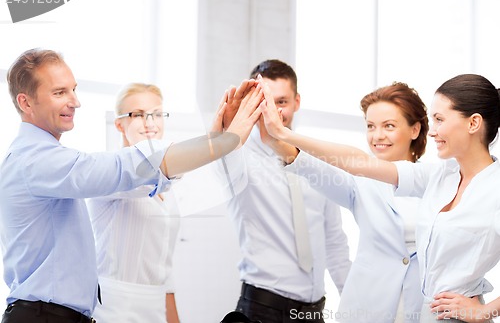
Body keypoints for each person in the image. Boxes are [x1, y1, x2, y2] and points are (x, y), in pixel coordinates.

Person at [0, 48, 262, 323]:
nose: (75, 101)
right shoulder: (36, 161)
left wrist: (217, 140)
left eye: (74, 89)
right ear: (26, 103)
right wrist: (221, 141)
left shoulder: (43, 158)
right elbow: (122, 169)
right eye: (59, 92)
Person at [259, 73, 500, 323]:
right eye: (371, 126)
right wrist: (283, 135)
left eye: (440, 120)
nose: (434, 131)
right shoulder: (441, 175)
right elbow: (360, 163)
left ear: (473, 123)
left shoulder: (495, 188)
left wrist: (486, 310)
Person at [270, 82, 428, 322]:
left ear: (415, 130)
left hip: (423, 308)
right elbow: (304, 162)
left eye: (389, 126)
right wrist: (273, 135)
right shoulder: (358, 182)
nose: (378, 136)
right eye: (371, 126)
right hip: (367, 308)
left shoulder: (436, 181)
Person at [218, 59, 351, 323]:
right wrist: (229, 130)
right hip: (261, 309)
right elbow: (220, 153)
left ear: (296, 102)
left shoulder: (315, 159)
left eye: (281, 102)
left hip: (314, 313)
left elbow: (334, 240)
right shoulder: (238, 158)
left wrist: (352, 300)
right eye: (264, 101)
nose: (274, 111)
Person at [86, 83, 181, 322]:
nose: (150, 122)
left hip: (156, 307)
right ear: (120, 124)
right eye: (138, 115)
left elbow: (164, 270)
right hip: (114, 308)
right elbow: (140, 179)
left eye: (157, 114)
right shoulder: (108, 173)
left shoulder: (167, 190)